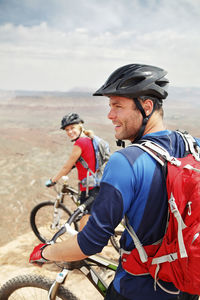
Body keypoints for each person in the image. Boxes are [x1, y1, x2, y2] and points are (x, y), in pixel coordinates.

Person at [30, 64, 200, 300]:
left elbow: (89, 243)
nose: (110, 115)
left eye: (117, 106)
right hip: (186, 286)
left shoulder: (125, 162)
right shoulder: (192, 145)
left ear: (147, 106)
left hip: (138, 291)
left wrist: (45, 252)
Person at [47, 112, 100, 229]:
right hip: (97, 183)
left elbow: (66, 167)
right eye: (67, 130)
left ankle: (84, 245)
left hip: (89, 189)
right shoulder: (89, 139)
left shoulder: (80, 142)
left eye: (72, 128)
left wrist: (53, 180)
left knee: (83, 227)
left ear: (80, 126)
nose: (70, 132)